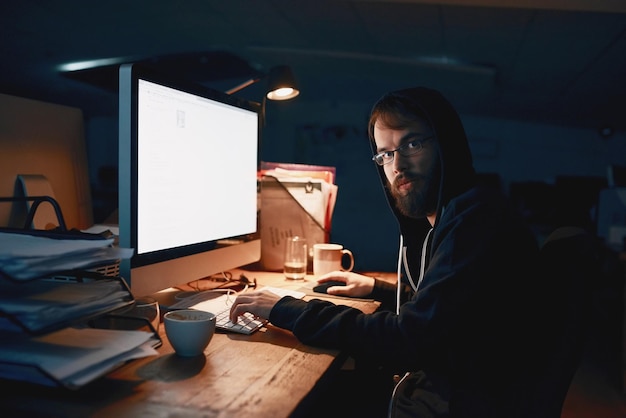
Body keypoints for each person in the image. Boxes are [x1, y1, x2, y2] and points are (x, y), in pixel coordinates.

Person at [230, 87, 551, 417]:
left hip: (456, 402)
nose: (397, 164)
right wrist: (375, 288)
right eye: (385, 154)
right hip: (454, 388)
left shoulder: (477, 223)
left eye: (412, 144)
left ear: (446, 143)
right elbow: (449, 309)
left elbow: (407, 339)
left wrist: (287, 309)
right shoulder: (465, 214)